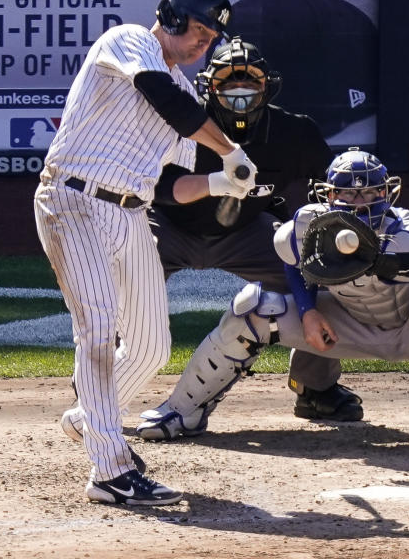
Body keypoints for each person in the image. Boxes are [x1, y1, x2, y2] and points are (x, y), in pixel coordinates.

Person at [34, 0, 258, 506]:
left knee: (153, 346)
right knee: (97, 333)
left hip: (132, 216)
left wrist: (224, 183)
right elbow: (166, 102)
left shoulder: (185, 90)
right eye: (199, 31)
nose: (204, 45)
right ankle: (109, 471)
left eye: (211, 38)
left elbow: (168, 187)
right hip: (73, 201)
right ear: (175, 17)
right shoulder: (129, 40)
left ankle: (90, 420)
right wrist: (228, 149)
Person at [136, 148, 409, 449]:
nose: (359, 202)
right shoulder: (312, 223)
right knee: (254, 306)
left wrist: (402, 265)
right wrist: (308, 312)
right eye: (347, 194)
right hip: (341, 328)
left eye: (370, 192)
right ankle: (181, 411)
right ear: (329, 195)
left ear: (386, 192)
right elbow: (286, 251)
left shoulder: (407, 228)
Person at [140, 36, 364, 433]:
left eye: (249, 83)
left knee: (322, 278)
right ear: (208, 87)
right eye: (228, 84)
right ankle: (100, 384)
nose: (238, 93)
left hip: (247, 232)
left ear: (268, 87)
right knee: (120, 281)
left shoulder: (293, 132)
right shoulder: (178, 127)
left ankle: (315, 387)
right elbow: (150, 187)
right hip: (170, 226)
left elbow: (331, 189)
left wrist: (329, 229)